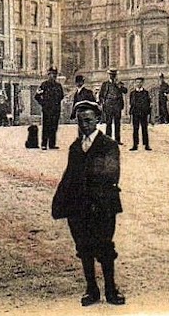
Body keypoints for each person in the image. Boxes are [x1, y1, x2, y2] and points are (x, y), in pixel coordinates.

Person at [51, 100, 126, 306]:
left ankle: (111, 290)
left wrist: (95, 198)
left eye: (88, 120)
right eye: (80, 121)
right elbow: (69, 175)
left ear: (98, 120)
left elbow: (111, 174)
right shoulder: (75, 147)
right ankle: (91, 289)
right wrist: (60, 201)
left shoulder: (109, 145)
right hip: (79, 207)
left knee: (104, 246)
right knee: (83, 247)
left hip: (103, 205)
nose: (84, 125)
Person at [36, 68, 65, 150]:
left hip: (56, 110)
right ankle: (44, 144)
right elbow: (37, 96)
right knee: (46, 127)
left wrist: (56, 103)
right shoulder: (43, 85)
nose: (53, 76)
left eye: (55, 75)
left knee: (54, 126)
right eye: (51, 74)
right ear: (48, 75)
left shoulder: (58, 86)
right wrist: (43, 104)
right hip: (47, 110)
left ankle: (52, 144)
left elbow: (61, 96)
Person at [98, 69, 126, 145]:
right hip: (108, 105)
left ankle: (117, 140)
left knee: (117, 123)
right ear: (109, 75)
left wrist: (119, 85)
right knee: (108, 123)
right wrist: (101, 103)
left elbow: (125, 91)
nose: (112, 76)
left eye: (114, 75)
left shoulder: (119, 83)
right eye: (111, 74)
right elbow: (101, 95)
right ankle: (108, 140)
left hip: (117, 105)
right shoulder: (105, 84)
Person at [128, 78, 151, 151]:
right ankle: (135, 145)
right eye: (137, 82)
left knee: (144, 129)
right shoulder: (132, 93)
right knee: (135, 129)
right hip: (135, 113)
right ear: (135, 83)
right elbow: (131, 103)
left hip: (143, 113)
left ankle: (146, 145)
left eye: (140, 82)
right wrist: (131, 113)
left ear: (142, 83)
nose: (138, 84)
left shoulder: (146, 93)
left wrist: (147, 112)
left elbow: (148, 103)